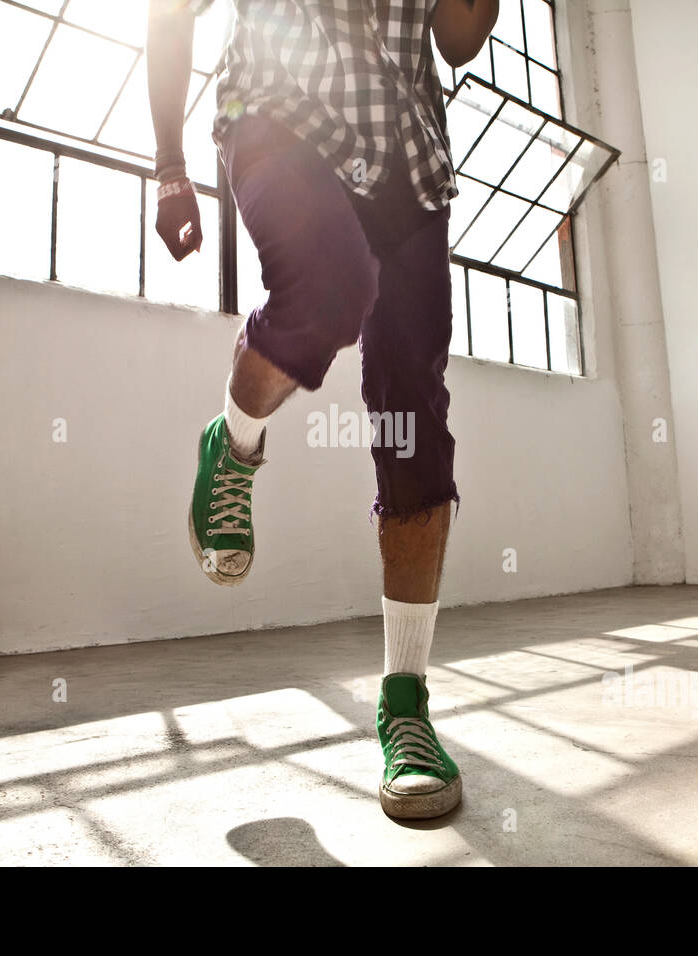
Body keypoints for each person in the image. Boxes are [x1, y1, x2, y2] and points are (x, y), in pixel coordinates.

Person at [147, 0, 498, 819]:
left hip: (405, 161)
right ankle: (234, 443)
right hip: (278, 112)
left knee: (415, 421)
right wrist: (169, 167)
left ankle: (404, 705)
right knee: (332, 287)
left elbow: (454, 40)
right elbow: (169, 13)